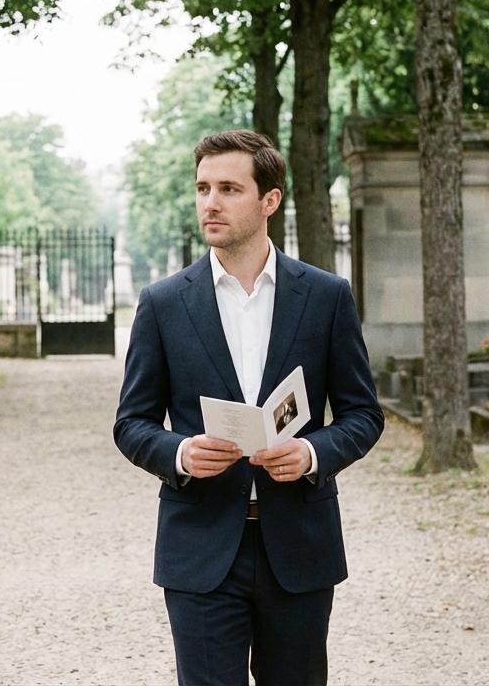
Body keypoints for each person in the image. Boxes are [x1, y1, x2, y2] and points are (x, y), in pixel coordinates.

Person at [114, 130, 384, 686]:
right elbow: (132, 423)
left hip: (299, 545)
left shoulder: (327, 296)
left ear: (269, 201)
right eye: (202, 188)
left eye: (229, 189)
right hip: (200, 547)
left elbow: (363, 413)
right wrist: (182, 453)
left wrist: (312, 452)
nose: (210, 202)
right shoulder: (163, 304)